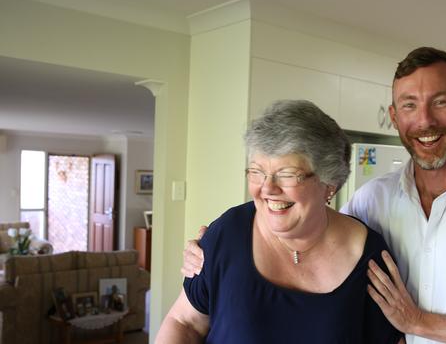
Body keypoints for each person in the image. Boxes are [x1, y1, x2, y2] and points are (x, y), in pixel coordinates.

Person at [181, 47, 446, 343]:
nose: (424, 120)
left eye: (440, 102)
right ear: (394, 116)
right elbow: (313, 230)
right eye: (409, 105)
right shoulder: (371, 199)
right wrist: (212, 251)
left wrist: (419, 322)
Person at [157, 100, 402, 343]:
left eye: (286, 175)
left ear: (329, 183)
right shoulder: (228, 233)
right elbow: (184, 323)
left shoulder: (371, 259)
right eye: (257, 172)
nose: (267, 188)